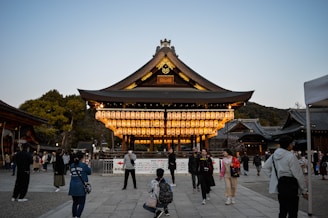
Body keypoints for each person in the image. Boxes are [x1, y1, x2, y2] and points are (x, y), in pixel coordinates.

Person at [263, 135, 308, 218]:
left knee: (283, 210)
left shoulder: (274, 156)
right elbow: (298, 175)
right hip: (291, 184)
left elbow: (265, 168)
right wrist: (304, 191)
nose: (293, 145)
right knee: (293, 211)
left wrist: (274, 176)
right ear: (288, 145)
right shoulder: (290, 156)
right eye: (292, 143)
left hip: (281, 184)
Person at [69, 151, 92, 218]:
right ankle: (78, 216)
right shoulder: (83, 165)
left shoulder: (72, 165)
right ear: (82, 158)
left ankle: (74, 216)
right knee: (81, 203)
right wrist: (88, 165)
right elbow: (89, 172)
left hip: (73, 186)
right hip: (81, 186)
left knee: (75, 203)